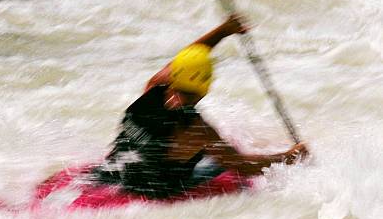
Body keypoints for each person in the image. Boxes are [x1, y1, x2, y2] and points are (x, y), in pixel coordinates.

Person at [92, 15, 309, 198]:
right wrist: (289, 157)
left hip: (117, 171)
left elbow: (189, 56)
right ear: (205, 86)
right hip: (153, 191)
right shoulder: (197, 129)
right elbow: (242, 165)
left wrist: (224, 30)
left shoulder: (155, 86)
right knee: (230, 159)